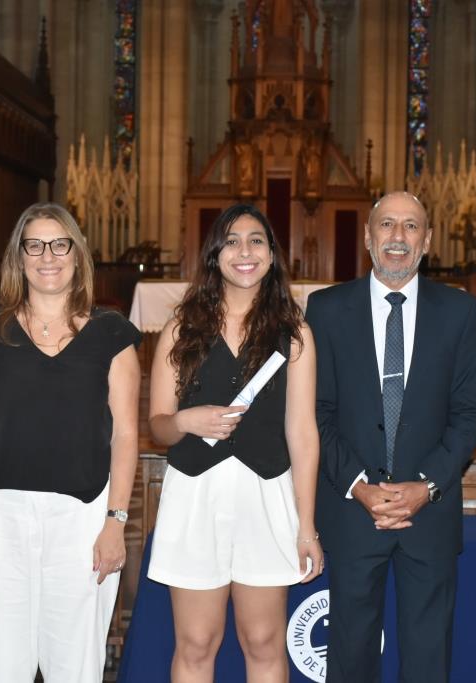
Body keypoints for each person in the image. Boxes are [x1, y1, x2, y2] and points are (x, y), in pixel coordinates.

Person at [0, 202, 141, 682]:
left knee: (75, 665)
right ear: (19, 256)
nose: (47, 256)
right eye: (34, 245)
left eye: (59, 245)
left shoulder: (111, 333)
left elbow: (125, 434)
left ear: (77, 254)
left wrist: (115, 522)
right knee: (6, 665)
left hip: (83, 516)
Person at [305, 191, 476, 682]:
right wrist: (359, 486)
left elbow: (470, 412)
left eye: (411, 226)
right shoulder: (326, 309)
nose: (398, 237)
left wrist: (426, 485)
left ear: (427, 241)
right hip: (351, 510)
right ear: (368, 238)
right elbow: (315, 411)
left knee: (428, 658)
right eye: (387, 224)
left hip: (428, 515)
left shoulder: (459, 311)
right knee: (350, 657)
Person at [147, 204, 323, 681]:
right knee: (196, 642)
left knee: (264, 641)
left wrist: (306, 525)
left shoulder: (294, 333)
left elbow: (302, 433)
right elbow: (158, 427)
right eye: (231, 241)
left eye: (256, 241)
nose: (244, 251)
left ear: (272, 254)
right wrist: (185, 420)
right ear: (214, 254)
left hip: (265, 493)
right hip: (195, 494)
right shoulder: (181, 329)